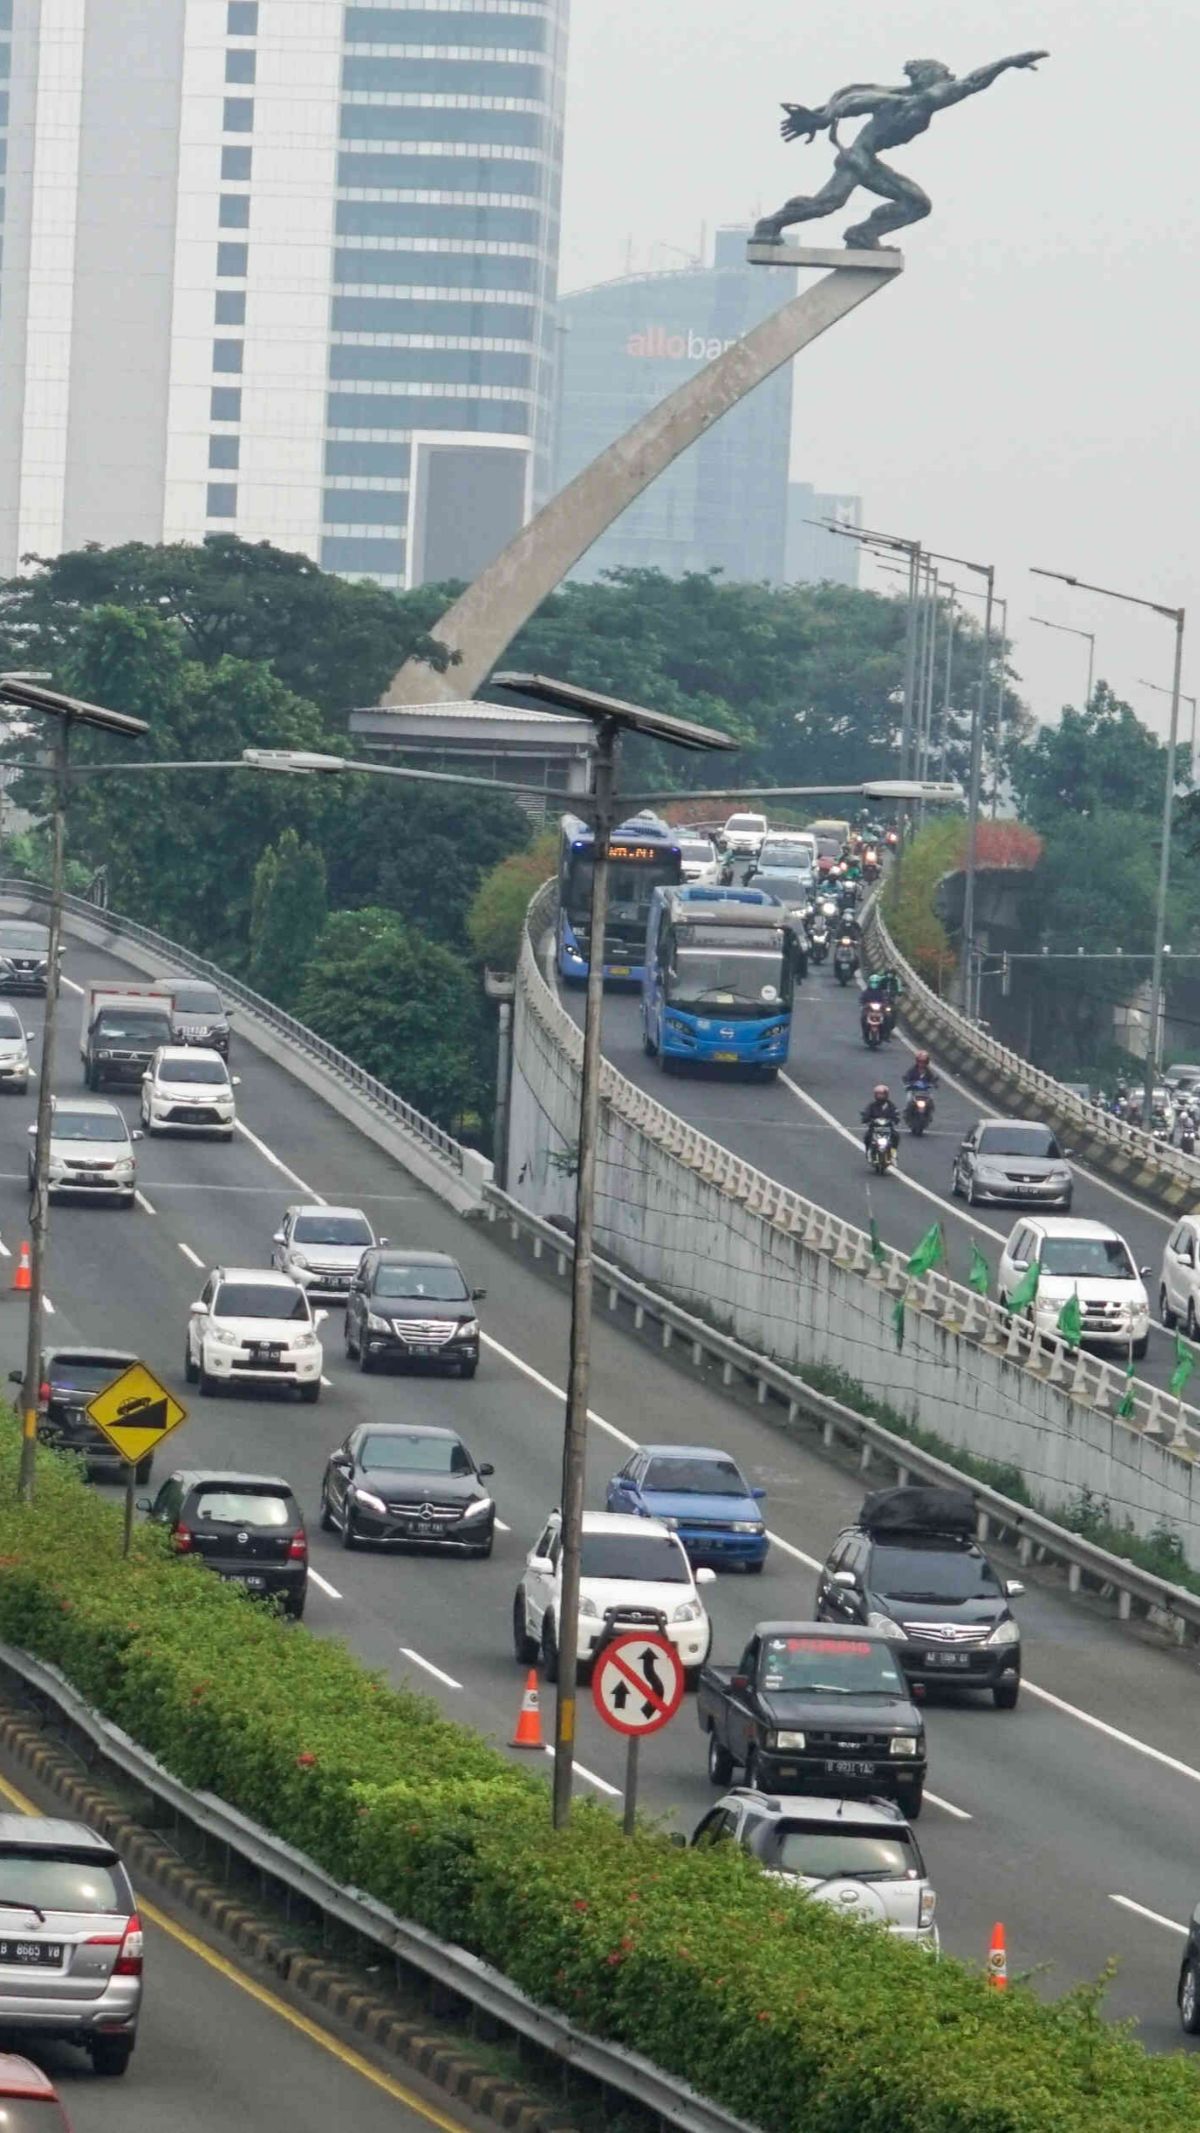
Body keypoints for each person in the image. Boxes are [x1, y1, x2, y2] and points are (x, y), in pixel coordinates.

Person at [861, 1083, 900, 1160]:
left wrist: (895, 1119)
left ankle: (893, 1152)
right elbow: (867, 1113)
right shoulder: (872, 1105)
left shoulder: (890, 1105)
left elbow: (895, 1113)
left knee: (896, 1136)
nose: (880, 1096)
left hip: (888, 1127)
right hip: (874, 1127)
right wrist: (866, 1119)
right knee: (867, 1137)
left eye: (882, 1094)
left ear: (886, 1095)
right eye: (879, 1094)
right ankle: (868, 1151)